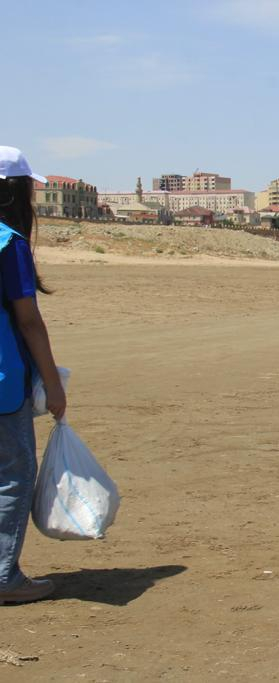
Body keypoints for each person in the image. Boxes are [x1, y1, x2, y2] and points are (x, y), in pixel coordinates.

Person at [0, 146, 66, 604]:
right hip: (4, 382)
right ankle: (4, 577)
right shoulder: (9, 243)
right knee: (14, 474)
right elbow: (28, 322)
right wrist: (54, 384)